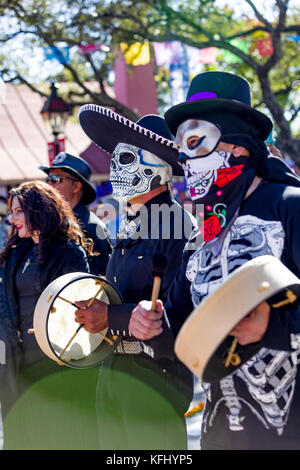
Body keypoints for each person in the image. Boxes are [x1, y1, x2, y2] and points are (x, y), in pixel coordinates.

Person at [131, 71, 300, 450]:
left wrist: (270, 325)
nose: (186, 160)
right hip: (219, 433)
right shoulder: (205, 228)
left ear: (239, 146)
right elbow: (179, 317)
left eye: (196, 143)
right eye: (182, 148)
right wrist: (151, 322)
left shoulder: (290, 207)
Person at [77, 108, 197, 449]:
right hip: (114, 375)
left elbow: (180, 312)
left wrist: (111, 316)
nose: (115, 168)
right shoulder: (131, 223)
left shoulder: (179, 225)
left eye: (126, 157)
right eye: (114, 158)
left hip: (154, 382)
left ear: (157, 166)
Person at [0, 181, 100, 449]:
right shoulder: (14, 255)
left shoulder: (69, 252)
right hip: (18, 367)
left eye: (19, 211)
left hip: (56, 366)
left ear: (38, 210)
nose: (12, 218)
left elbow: (80, 308)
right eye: (12, 212)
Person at [39, 152, 112, 275]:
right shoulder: (51, 222)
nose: (49, 185)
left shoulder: (93, 227)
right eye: (48, 179)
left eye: (56, 179)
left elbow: (102, 278)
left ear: (76, 186)